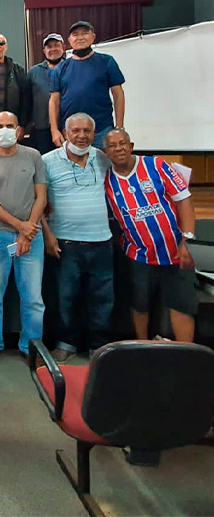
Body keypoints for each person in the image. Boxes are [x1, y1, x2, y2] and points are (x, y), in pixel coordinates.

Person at [104, 128, 197, 343]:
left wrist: (187, 239)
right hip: (138, 254)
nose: (119, 149)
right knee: (139, 303)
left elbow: (184, 200)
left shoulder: (157, 165)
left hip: (175, 250)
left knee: (181, 303)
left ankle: (187, 352)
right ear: (106, 153)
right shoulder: (106, 180)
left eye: (122, 143)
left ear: (131, 146)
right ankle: (143, 347)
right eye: (112, 146)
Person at [0, 112, 47, 367]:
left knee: (33, 298)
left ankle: (31, 347)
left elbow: (41, 197)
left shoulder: (33, 156)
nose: (5, 130)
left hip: (32, 236)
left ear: (18, 130)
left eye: (10, 126)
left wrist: (27, 231)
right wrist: (19, 226)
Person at [42, 113, 113, 362]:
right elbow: (38, 202)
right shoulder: (47, 161)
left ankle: (99, 347)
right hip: (65, 243)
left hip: (102, 241)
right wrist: (48, 235)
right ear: (65, 132)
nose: (81, 136)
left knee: (103, 299)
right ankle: (66, 343)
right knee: (65, 298)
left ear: (94, 134)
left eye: (87, 131)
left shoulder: (103, 158)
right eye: (76, 131)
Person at [50, 21, 125, 150]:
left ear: (93, 37)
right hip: (71, 132)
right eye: (75, 34)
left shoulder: (106, 61)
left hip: (102, 129)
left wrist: (119, 127)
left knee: (103, 163)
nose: (80, 38)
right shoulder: (61, 68)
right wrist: (54, 130)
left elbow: (118, 95)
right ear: (69, 40)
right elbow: (54, 101)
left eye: (85, 33)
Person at [0, 33, 30, 147]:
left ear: (6, 47)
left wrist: (23, 125)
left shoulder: (18, 70)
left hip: (12, 126)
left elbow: (26, 99)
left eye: (1, 43)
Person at [26, 33, 65, 155]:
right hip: (41, 129)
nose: (53, 49)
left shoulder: (71, 68)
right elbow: (27, 100)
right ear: (44, 51)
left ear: (63, 47)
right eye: (49, 47)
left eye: (56, 45)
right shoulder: (34, 72)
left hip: (67, 128)